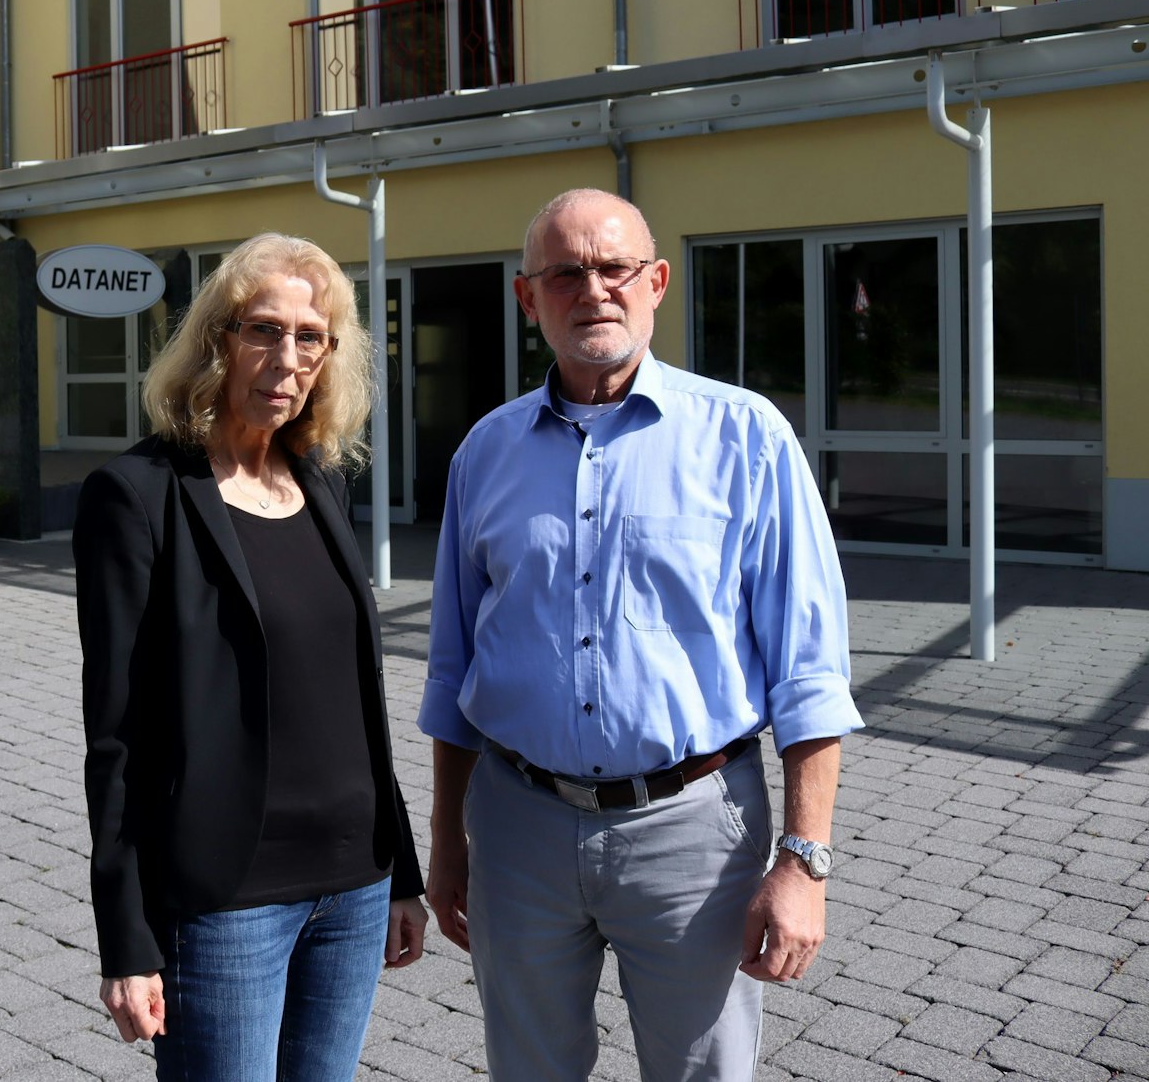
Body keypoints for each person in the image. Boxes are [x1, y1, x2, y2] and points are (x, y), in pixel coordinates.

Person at [419, 189, 862, 1081]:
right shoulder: (485, 453)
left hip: (694, 830)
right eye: (566, 272)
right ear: (527, 297)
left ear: (656, 283)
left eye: (616, 268)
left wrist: (805, 861)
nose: (595, 290)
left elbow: (810, 670)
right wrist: (447, 840)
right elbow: (455, 666)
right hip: (518, 830)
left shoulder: (746, 438)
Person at [74, 232, 430, 1081]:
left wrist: (401, 869)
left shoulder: (319, 482)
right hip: (227, 900)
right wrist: (126, 938)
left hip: (353, 882)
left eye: (311, 337)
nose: (287, 356)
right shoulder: (138, 496)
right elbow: (115, 733)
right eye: (264, 328)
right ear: (217, 339)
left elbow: (357, 700)